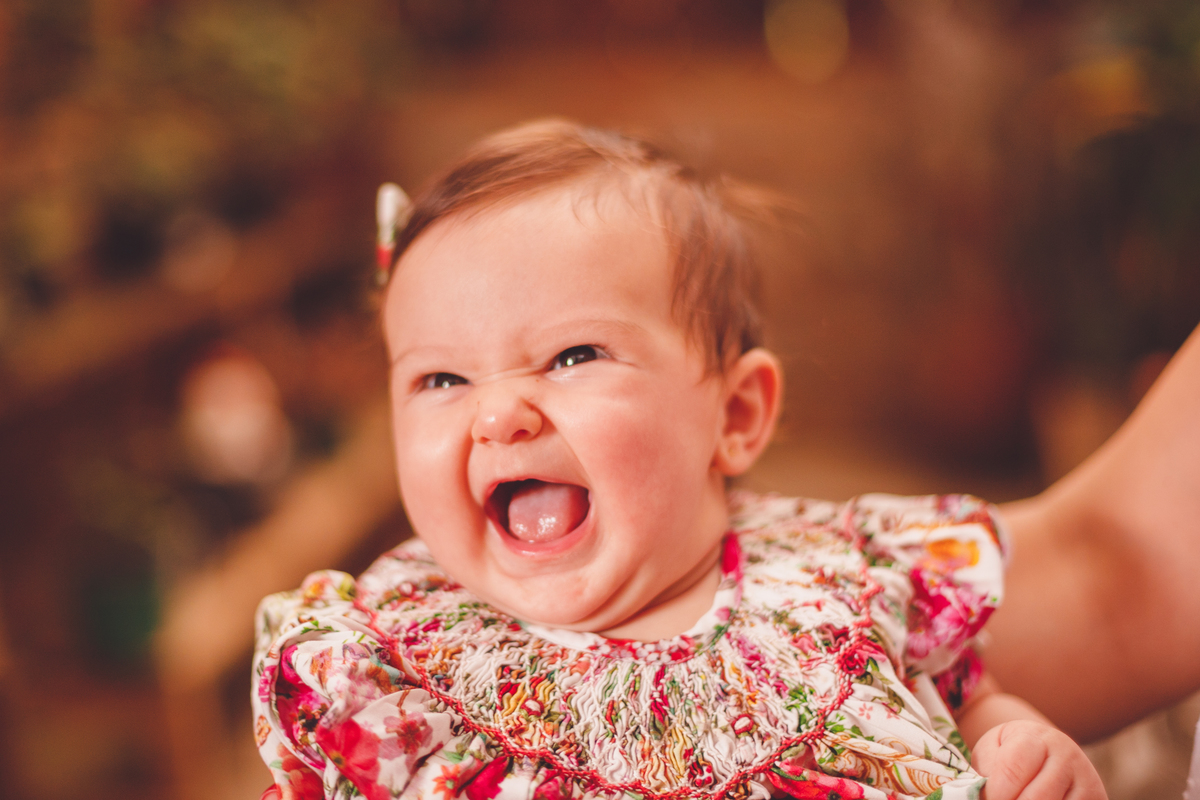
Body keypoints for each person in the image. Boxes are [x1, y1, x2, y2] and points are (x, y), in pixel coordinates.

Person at [250, 121, 1104, 800]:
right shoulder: (385, 668)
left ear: (735, 415)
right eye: (441, 377)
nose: (499, 413)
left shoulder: (844, 582)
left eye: (573, 356)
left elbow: (958, 704)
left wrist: (1018, 748)